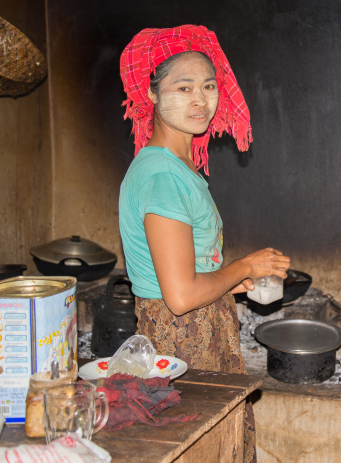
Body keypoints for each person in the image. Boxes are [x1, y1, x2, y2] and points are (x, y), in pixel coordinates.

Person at [118, 25, 290, 463]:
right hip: (184, 341)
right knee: (206, 449)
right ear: (151, 94)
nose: (200, 100)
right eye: (184, 87)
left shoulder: (176, 166)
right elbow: (179, 297)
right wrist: (246, 267)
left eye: (209, 86)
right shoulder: (162, 176)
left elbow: (183, 273)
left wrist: (227, 283)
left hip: (199, 329)